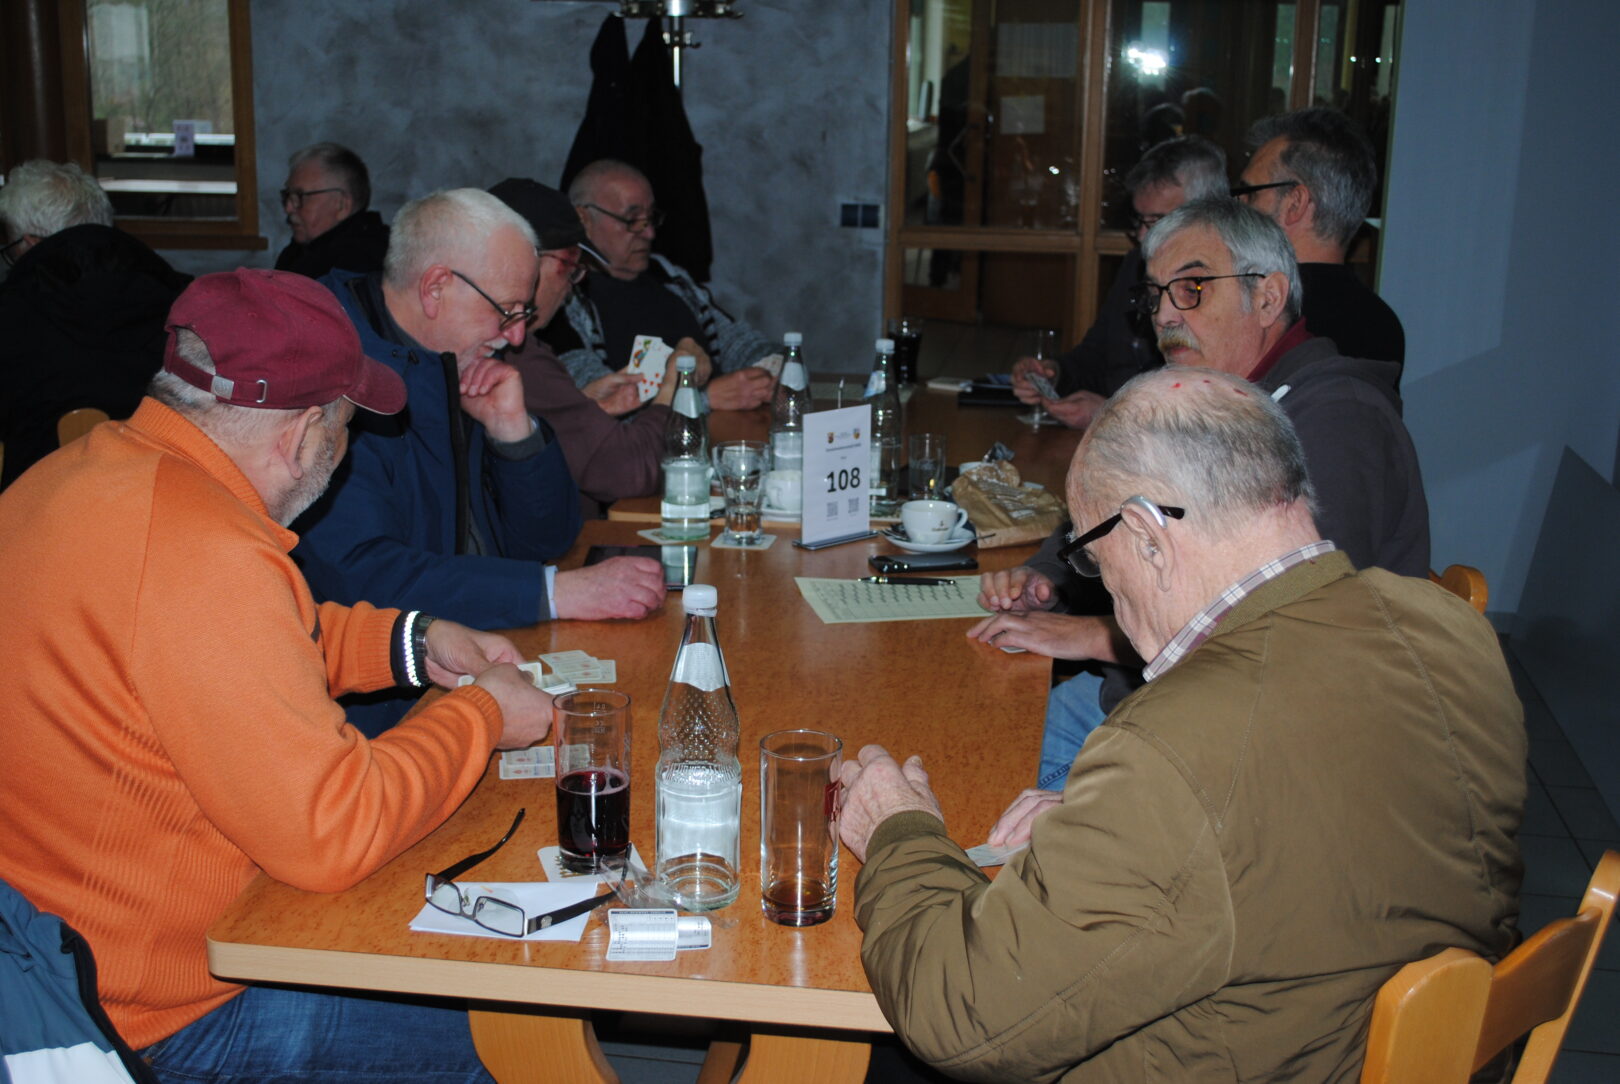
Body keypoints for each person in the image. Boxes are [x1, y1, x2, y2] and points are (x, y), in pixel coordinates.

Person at [841, 368, 1525, 1082]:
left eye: (1093, 559)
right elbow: (1305, 803)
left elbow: (958, 1013)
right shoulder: (1449, 625)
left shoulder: (1168, 750)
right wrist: (1113, 827)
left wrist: (899, 830)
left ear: (1147, 533)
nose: (1105, 589)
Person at [0, 268, 555, 1083]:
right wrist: (481, 713)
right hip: (157, 1012)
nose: (345, 450)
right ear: (300, 436)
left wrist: (411, 640)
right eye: (345, 429)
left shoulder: (70, 474)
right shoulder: (208, 553)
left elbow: (231, 650)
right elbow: (334, 832)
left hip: (45, 956)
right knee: (510, 1033)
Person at [973, 197, 1429, 788]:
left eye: (1191, 288)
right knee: (971, 729)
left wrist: (1096, 636)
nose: (1164, 315)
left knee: (982, 783)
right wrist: (1045, 580)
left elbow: (1291, 635)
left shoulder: (1339, 421)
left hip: (1254, 752)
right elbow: (1109, 515)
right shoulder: (1208, 400)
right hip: (1151, 698)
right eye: (1156, 295)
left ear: (1268, 297)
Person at [296, 188, 665, 736]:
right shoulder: (329, 373)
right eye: (507, 311)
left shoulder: (453, 356)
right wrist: (554, 593)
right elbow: (361, 578)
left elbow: (547, 540)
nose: (516, 336)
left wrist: (515, 435)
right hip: (371, 716)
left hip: (480, 650)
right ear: (436, 287)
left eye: (524, 314)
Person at [1010, 136, 1226, 429]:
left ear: (1208, 213)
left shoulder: (1225, 290)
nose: (1141, 235)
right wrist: (1052, 374)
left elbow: (1206, 414)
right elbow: (1096, 357)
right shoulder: (1135, 266)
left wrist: (1110, 414)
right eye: (1139, 220)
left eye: (1156, 222)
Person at [491, 177, 677, 517]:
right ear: (525, 262)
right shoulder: (514, 354)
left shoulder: (496, 344)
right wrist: (671, 392)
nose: (570, 288)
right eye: (570, 267)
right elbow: (632, 471)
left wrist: (586, 406)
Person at [0, 159, 190, 489]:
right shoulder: (186, 301)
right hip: (160, 495)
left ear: (30, 244)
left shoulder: (10, 314)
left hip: (35, 503)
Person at [543, 159, 774, 412]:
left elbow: (736, 341)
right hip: (658, 435)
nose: (649, 233)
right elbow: (601, 409)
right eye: (632, 220)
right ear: (583, 219)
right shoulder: (561, 298)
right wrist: (704, 400)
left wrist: (773, 366)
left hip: (731, 426)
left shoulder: (668, 274)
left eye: (651, 217)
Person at [1235, 108, 1405, 366]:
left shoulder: (1260, 313)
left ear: (1295, 203)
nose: (1238, 205)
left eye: (1251, 193)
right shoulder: (1384, 325)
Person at [274, 142, 390, 279]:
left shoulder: (359, 264)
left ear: (341, 205)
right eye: (287, 196)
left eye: (300, 196)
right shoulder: (297, 252)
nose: (288, 208)